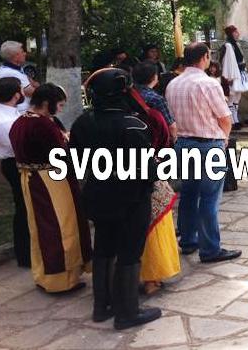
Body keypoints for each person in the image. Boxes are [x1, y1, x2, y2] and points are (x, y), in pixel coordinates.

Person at [70, 69, 161, 329]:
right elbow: (148, 171)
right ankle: (127, 313)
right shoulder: (133, 125)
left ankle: (102, 306)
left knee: (104, 247)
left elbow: (75, 161)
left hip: (98, 194)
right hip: (131, 198)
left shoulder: (82, 122)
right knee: (130, 252)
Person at [9, 84, 92, 293]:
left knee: (40, 227)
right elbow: (60, 153)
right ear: (47, 103)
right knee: (60, 227)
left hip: (32, 180)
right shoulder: (42, 125)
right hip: (52, 182)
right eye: (60, 105)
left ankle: (44, 275)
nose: (61, 109)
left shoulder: (20, 121)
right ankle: (62, 280)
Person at [166, 43, 242, 263]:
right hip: (208, 145)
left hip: (183, 144)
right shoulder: (208, 83)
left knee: (188, 193)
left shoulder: (173, 84)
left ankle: (189, 240)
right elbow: (225, 118)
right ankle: (210, 249)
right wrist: (224, 139)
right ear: (204, 57)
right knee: (209, 197)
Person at [127, 89, 181, 296]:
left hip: (116, 184)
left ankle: (129, 279)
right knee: (155, 226)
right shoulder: (150, 117)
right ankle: (152, 277)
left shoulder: (96, 120)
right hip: (150, 178)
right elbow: (166, 141)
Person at [0, 78, 30, 267]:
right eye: (21, 90)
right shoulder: (4, 122)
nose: (24, 92)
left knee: (25, 207)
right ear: (16, 95)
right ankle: (25, 254)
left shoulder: (5, 111)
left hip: (15, 161)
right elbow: (22, 146)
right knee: (24, 208)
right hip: (16, 163)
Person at [220, 25, 248, 130]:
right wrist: (229, 77)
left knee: (237, 97)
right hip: (233, 74)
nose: (238, 34)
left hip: (240, 73)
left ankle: (236, 120)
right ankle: (232, 121)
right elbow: (228, 63)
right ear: (231, 34)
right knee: (231, 97)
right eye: (235, 32)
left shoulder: (236, 44)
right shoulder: (228, 46)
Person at [132, 61, 178, 143]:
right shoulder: (156, 99)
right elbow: (171, 127)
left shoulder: (129, 95)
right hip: (155, 141)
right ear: (154, 77)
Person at [0, 41, 40, 111]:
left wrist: (34, 84)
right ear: (15, 56)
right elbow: (33, 92)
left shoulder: (14, 68)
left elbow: (33, 82)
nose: (25, 54)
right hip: (20, 112)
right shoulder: (11, 72)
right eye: (22, 52)